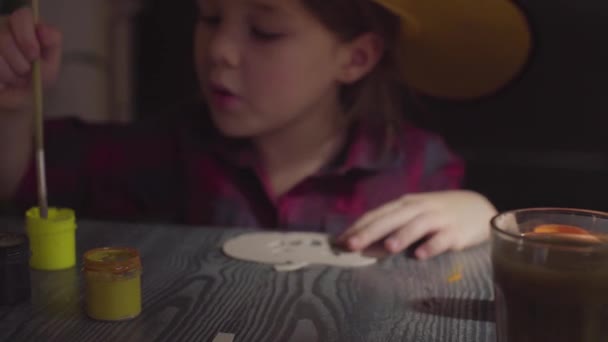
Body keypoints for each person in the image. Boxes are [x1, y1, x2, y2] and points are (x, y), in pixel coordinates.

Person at [0, 0, 499, 260]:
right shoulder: (165, 149)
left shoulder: (413, 165)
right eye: (210, 17)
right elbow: (22, 177)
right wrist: (14, 109)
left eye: (264, 31)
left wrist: (481, 215)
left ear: (355, 58)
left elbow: (459, 254)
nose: (219, 49)